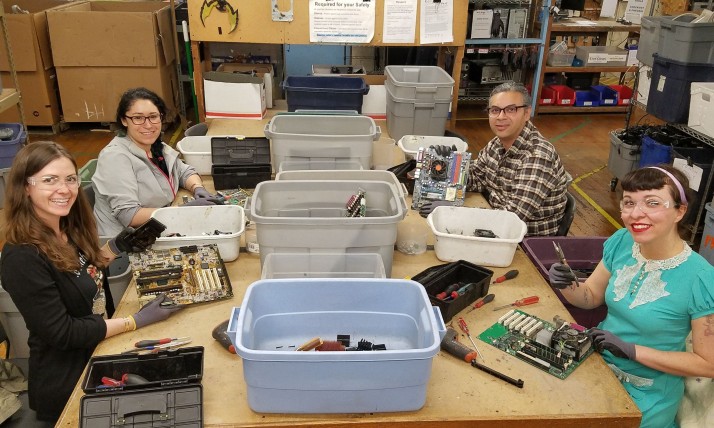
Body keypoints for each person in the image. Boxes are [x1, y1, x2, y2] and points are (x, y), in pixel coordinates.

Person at [0, 141, 183, 423]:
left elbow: (79, 273)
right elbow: (63, 332)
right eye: (50, 180)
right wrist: (134, 321)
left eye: (70, 179)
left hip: (101, 350)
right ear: (25, 186)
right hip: (70, 380)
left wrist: (115, 248)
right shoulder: (21, 256)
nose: (65, 189)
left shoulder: (64, 227)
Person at [548, 165, 714, 428]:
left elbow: (707, 364)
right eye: (628, 203)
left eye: (652, 203)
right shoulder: (623, 241)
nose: (636, 214)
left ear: (679, 211)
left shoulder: (702, 278)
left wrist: (632, 351)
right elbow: (589, 297)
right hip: (599, 365)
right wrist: (567, 284)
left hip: (649, 393)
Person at [420, 82, 569, 236]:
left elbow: (510, 218)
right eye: (495, 110)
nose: (501, 117)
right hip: (494, 223)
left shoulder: (537, 157)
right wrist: (448, 164)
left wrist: (452, 211)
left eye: (511, 109)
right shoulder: (497, 144)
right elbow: (477, 178)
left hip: (522, 243)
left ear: (526, 113)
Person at [92, 87, 221, 236]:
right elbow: (129, 215)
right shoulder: (114, 158)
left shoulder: (155, 146)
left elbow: (183, 171)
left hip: (155, 227)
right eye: (138, 118)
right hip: (125, 243)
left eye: (153, 116)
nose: (148, 125)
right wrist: (182, 211)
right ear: (124, 120)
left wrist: (197, 188)